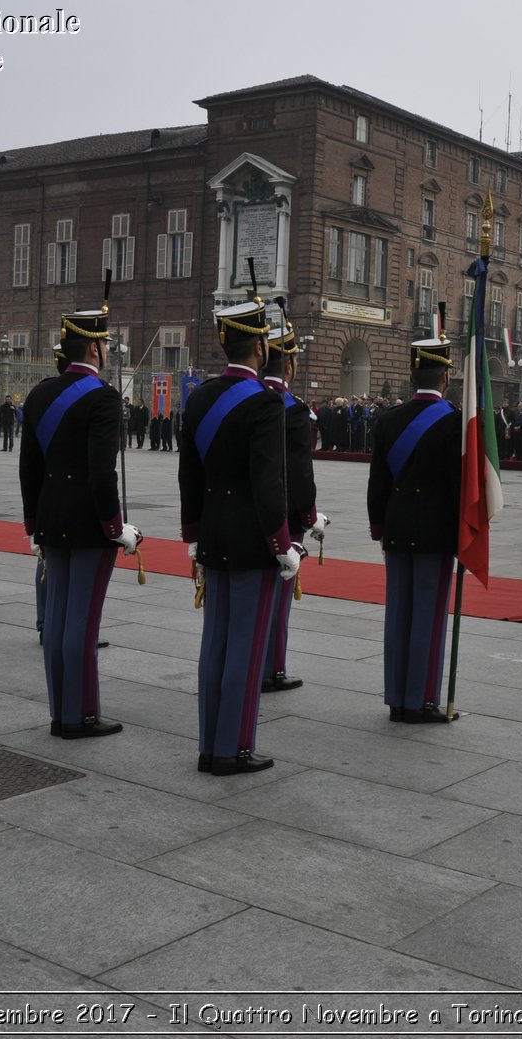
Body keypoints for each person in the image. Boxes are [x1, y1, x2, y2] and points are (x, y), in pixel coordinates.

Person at [180, 296, 298, 775]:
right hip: (252, 541)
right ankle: (232, 750)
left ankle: (211, 744)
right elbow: (269, 483)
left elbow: (189, 474)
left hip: (213, 535)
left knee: (215, 645)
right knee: (246, 650)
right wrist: (282, 543)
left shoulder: (201, 396)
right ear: (262, 348)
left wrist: (193, 533)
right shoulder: (266, 404)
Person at [21, 291, 138, 739]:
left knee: (56, 621)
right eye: (105, 344)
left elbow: (28, 469)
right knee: (82, 624)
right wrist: (116, 526)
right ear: (95, 347)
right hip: (90, 526)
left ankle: (60, 711)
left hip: (51, 520)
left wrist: (34, 523)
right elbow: (100, 474)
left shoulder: (39, 394)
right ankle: (80, 716)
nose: (107, 351)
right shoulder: (103, 399)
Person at [368, 329, 461, 724]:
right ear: (445, 376)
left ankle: (396, 699)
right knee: (427, 616)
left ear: (411, 373)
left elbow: (377, 481)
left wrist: (379, 525)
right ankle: (421, 700)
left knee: (398, 615)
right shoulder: (454, 422)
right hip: (436, 533)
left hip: (397, 527)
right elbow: (459, 486)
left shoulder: (389, 420)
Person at [259, 318, 330, 694]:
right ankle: (271, 668)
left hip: (243, 514)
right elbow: (301, 475)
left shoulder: (242, 399)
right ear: (289, 365)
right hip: (284, 518)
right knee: (277, 598)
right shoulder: (293, 409)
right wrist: (309, 517)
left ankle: (252, 663)